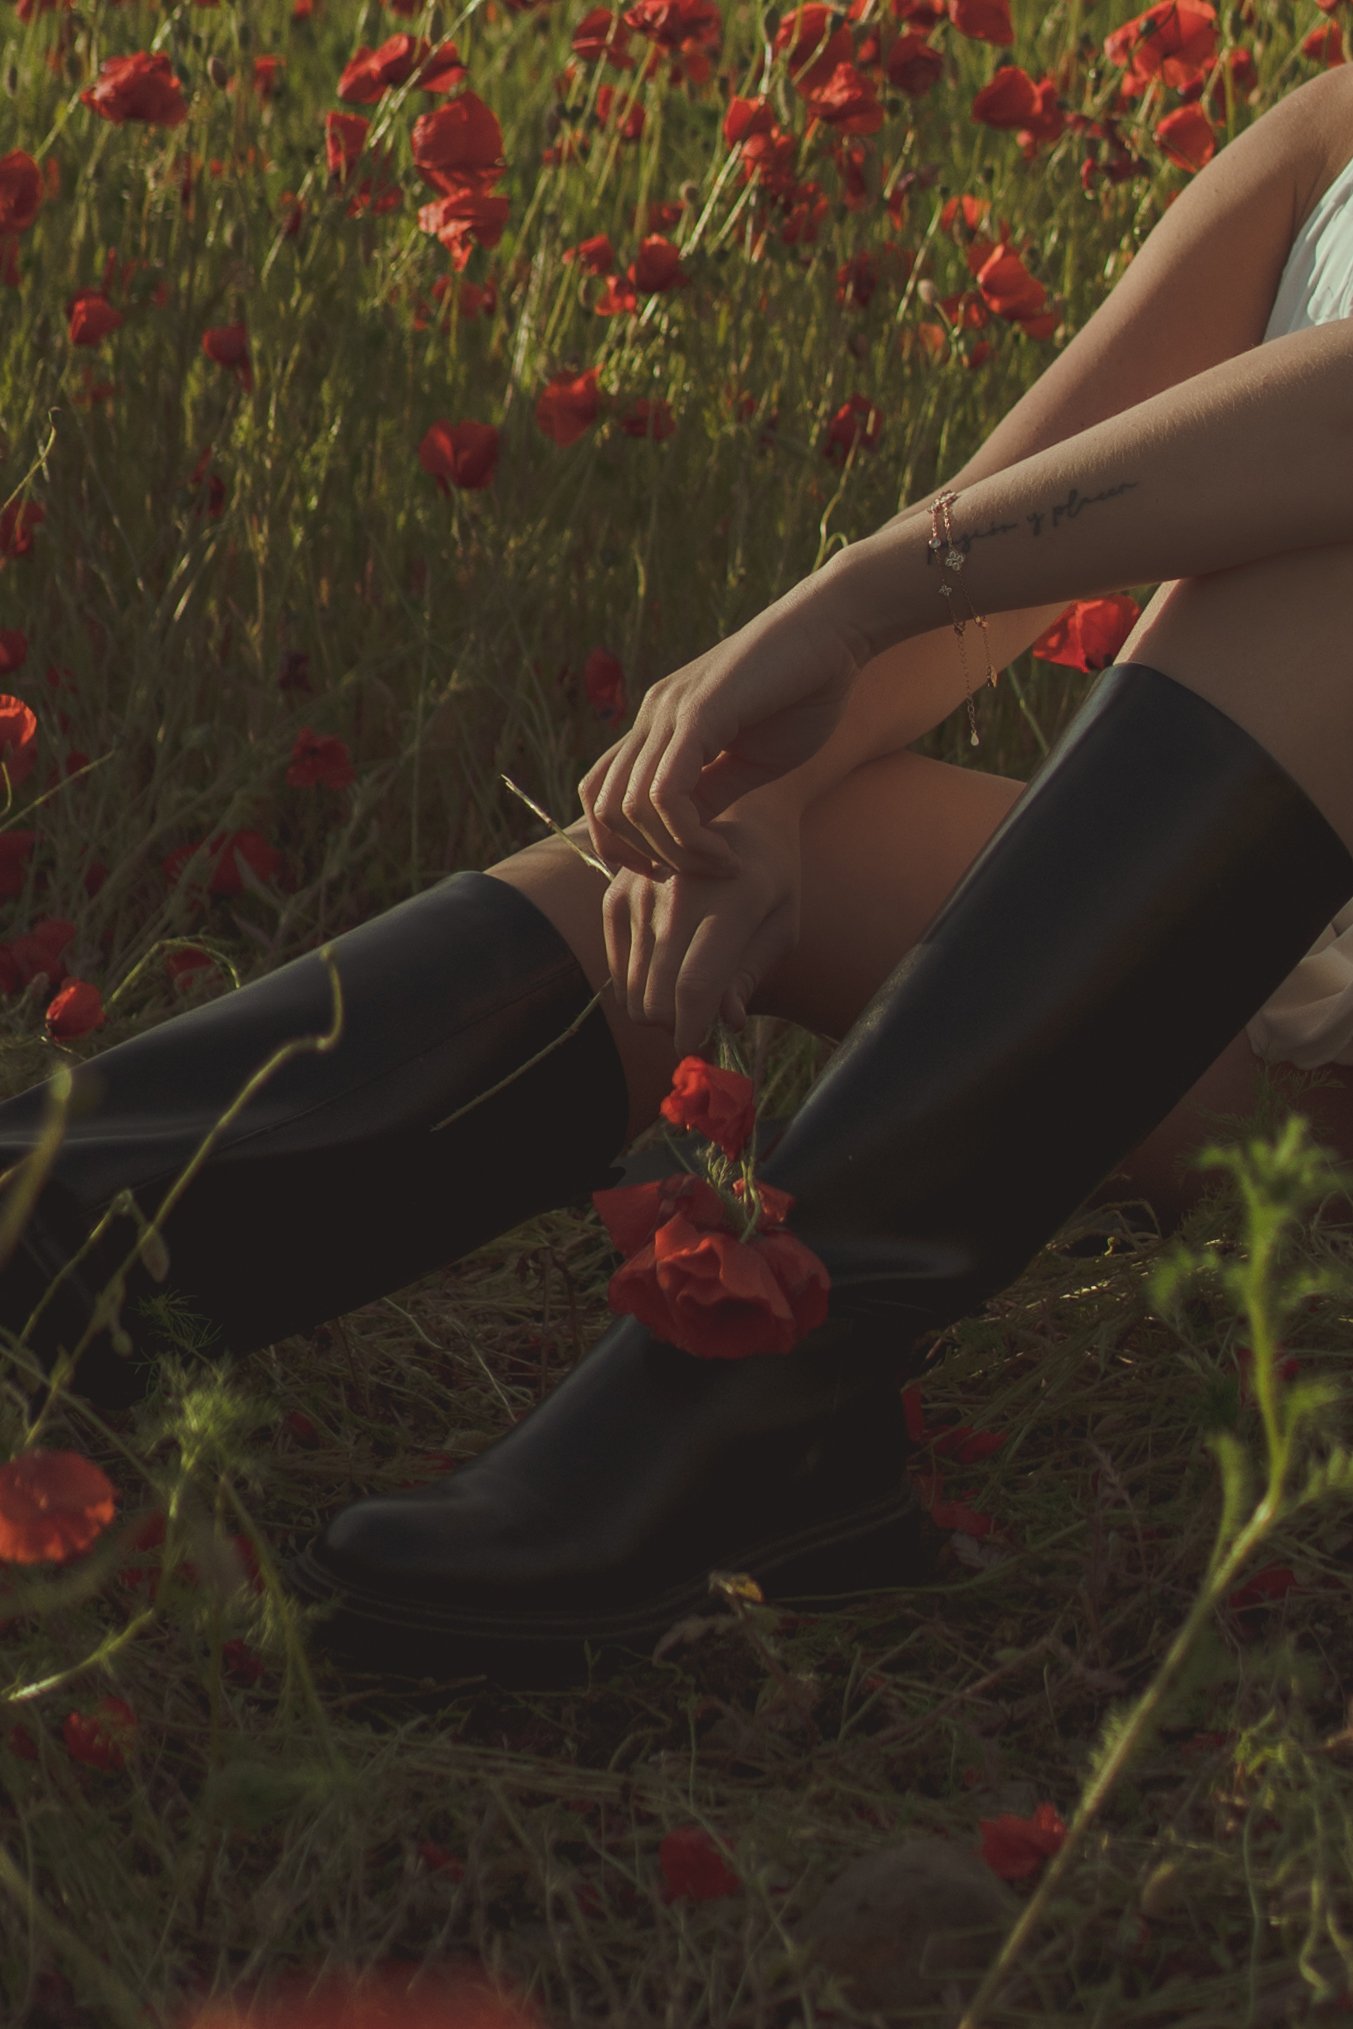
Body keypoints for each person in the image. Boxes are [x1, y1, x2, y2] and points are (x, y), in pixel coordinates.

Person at [5, 65, 1353, 1682]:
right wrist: (773, 784)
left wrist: (853, 594)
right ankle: (74, 1228)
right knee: (757, 831)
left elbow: (950, 566)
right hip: (1289, 1015)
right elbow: (987, 568)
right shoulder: (1324, 137)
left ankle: (739, 1404)